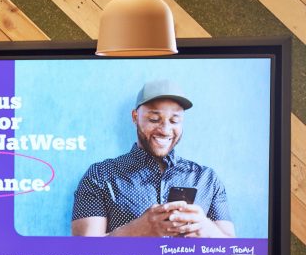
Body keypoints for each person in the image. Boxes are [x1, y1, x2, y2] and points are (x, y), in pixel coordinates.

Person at [71, 79, 234, 238]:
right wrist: (136, 230)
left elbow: (233, 252)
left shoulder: (208, 179)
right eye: (154, 119)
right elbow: (82, 252)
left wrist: (206, 229)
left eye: (174, 120)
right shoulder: (100, 175)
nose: (165, 130)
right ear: (135, 117)